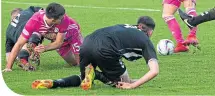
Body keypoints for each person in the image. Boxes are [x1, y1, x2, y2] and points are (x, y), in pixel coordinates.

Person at [31, 16, 159, 90]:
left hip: (87, 43)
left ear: (138, 25)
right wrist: (133, 85)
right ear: (150, 32)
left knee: (84, 78)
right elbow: (154, 71)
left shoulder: (125, 26)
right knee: (124, 83)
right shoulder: (145, 40)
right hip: (105, 49)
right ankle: (96, 75)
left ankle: (56, 83)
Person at [2, 3, 82, 72]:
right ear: (54, 20)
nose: (64, 18)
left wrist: (45, 48)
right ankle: (24, 56)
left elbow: (59, 42)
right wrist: (8, 68)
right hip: (59, 40)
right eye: (61, 18)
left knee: (81, 63)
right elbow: (19, 44)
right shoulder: (34, 21)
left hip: (73, 34)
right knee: (74, 63)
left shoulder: (65, 20)